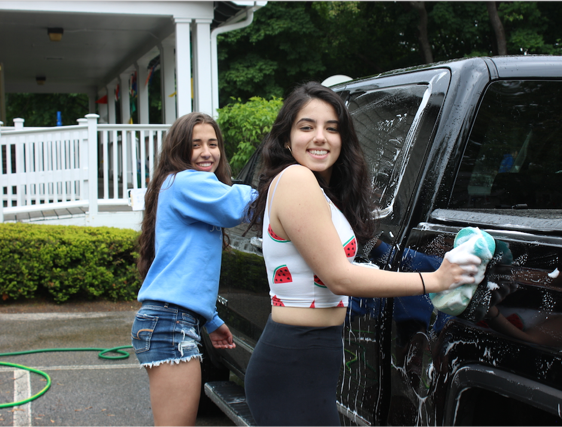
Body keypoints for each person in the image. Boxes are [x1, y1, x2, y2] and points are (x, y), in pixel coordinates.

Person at [243, 82, 481, 427]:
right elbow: (339, 277)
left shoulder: (321, 192)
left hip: (310, 359)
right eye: (306, 127)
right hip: (293, 362)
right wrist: (435, 280)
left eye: (332, 128)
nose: (320, 137)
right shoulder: (295, 179)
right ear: (285, 139)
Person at [131, 112, 256, 427]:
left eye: (213, 144)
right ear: (178, 150)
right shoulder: (187, 181)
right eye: (195, 144)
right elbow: (235, 206)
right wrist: (277, 184)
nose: (206, 152)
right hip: (169, 325)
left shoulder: (181, 186)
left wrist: (211, 320)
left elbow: (183, 270)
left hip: (169, 320)